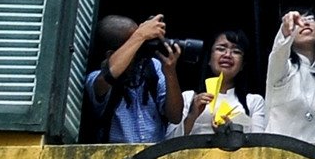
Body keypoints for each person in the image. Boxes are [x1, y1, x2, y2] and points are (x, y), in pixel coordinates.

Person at [83, 13, 182, 144]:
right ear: (111, 54)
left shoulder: (153, 68)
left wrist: (170, 73)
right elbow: (110, 74)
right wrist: (140, 35)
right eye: (134, 43)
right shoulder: (96, 80)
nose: (140, 47)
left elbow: (175, 116)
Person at [169, 29, 266, 136]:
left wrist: (233, 132)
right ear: (209, 59)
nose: (228, 55)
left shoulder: (254, 102)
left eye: (236, 51)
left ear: (242, 64)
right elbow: (169, 142)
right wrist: (192, 115)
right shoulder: (188, 97)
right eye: (221, 48)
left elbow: (259, 145)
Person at [266, 8, 315, 140]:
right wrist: (285, 30)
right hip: (276, 154)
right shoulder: (282, 68)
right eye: (300, 21)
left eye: (311, 19)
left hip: (314, 157)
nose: (306, 23)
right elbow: (278, 54)